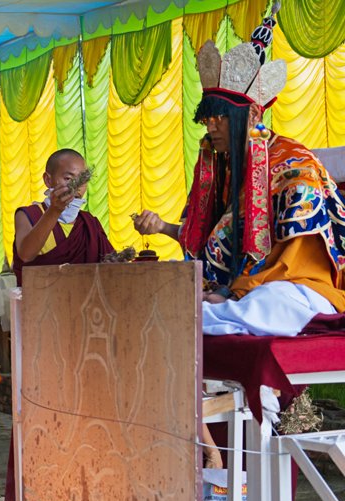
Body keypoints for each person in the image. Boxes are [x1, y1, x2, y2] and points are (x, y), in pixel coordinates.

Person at [132, 14, 345, 335]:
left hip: (294, 283)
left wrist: (233, 291)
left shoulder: (293, 166)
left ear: (254, 115)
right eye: (207, 120)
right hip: (235, 285)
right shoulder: (222, 165)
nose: (211, 127)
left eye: (220, 118)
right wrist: (164, 229)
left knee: (260, 306)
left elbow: (294, 259)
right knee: (167, 297)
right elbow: (212, 242)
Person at [3, 148, 114, 501]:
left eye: (82, 179)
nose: (76, 185)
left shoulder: (90, 224)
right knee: (40, 415)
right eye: (68, 178)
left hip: (82, 332)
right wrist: (52, 211)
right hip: (41, 331)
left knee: (84, 417)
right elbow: (28, 253)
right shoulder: (30, 214)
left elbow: (105, 266)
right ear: (49, 180)